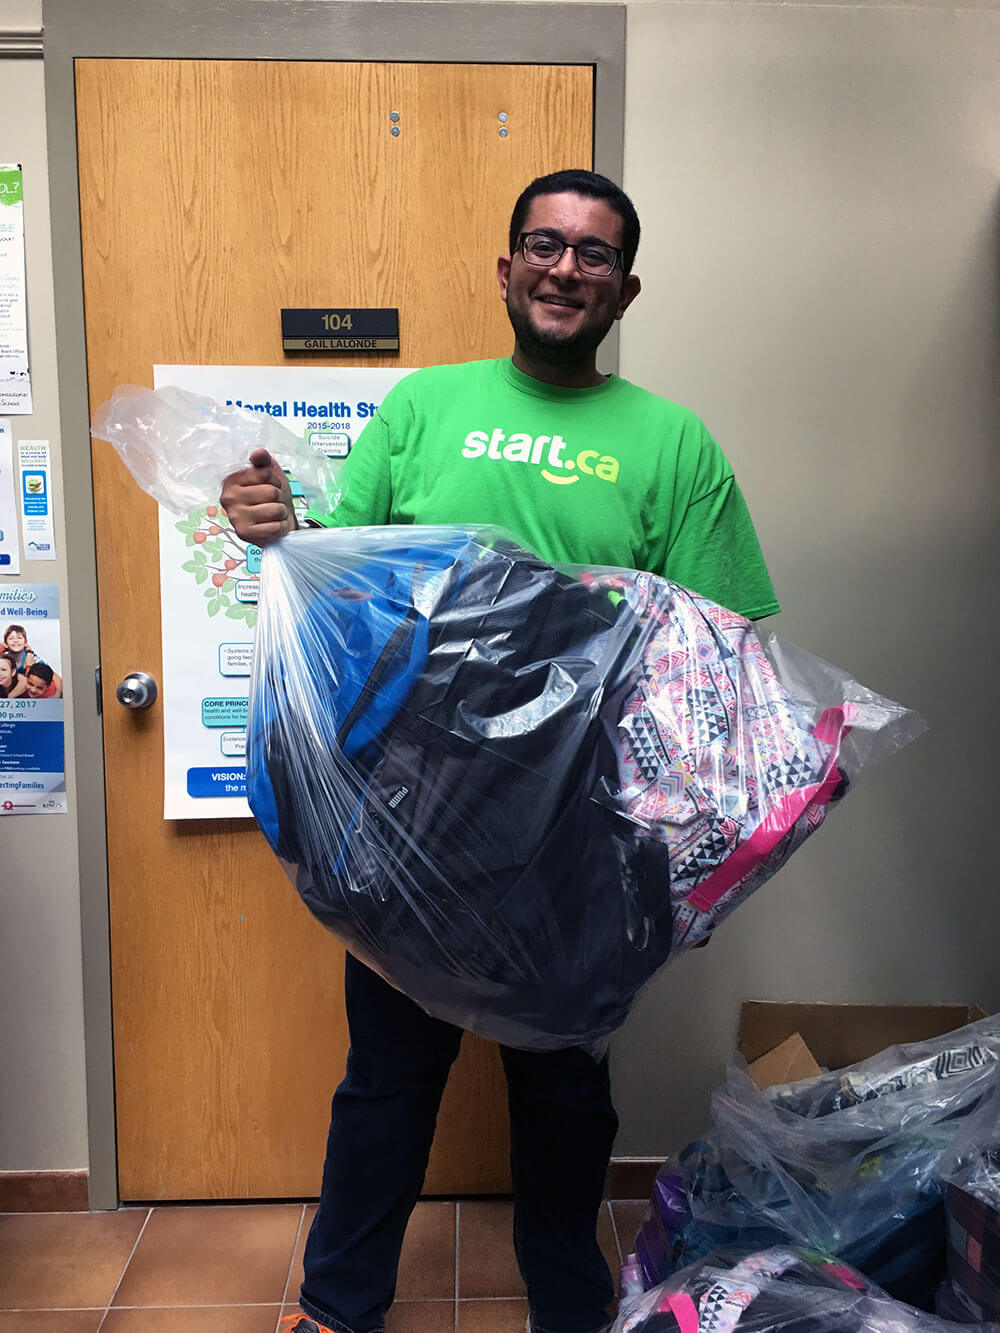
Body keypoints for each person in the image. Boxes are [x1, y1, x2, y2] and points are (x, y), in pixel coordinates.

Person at [221, 169, 779, 1333]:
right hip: (414, 816)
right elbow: (345, 573)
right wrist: (280, 533)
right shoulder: (426, 406)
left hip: (586, 833)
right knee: (385, 1082)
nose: (564, 268)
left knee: (566, 1101)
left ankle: (567, 1311)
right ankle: (337, 1308)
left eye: (592, 255)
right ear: (506, 266)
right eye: (544, 243)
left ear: (626, 289)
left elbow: (722, 648)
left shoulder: (674, 443)